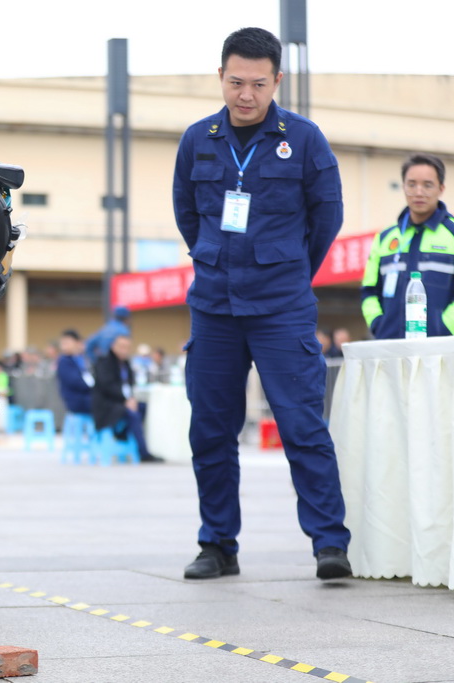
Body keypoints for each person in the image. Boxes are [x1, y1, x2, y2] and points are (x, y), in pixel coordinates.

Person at [172, 27, 351, 580]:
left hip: (282, 309)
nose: (245, 94)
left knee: (301, 425)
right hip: (215, 307)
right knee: (211, 429)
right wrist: (214, 256)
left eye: (257, 83)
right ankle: (217, 544)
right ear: (220, 78)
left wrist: (287, 268)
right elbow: (186, 211)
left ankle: (329, 544)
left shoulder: (304, 139)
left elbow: (327, 219)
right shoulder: (197, 138)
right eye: (234, 82)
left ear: (276, 80)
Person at [361, 153, 454, 339]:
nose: (419, 192)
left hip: (439, 350)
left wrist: (445, 330)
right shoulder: (385, 238)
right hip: (390, 346)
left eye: (427, 185)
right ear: (403, 187)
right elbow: (369, 291)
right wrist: (378, 324)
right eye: (411, 184)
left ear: (441, 188)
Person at [91, 335, 161, 463]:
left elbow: (129, 385)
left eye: (127, 347)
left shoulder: (126, 364)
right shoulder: (104, 362)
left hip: (124, 402)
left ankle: (123, 434)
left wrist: (130, 399)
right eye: (121, 347)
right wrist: (126, 400)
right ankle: (143, 452)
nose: (124, 350)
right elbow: (108, 386)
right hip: (107, 405)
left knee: (144, 408)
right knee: (133, 414)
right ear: (113, 346)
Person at [55, 329, 93, 415]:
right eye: (63, 343)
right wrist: (95, 388)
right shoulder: (64, 361)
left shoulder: (81, 359)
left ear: (78, 343)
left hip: (86, 397)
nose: (63, 346)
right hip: (76, 400)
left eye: (67, 343)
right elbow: (76, 382)